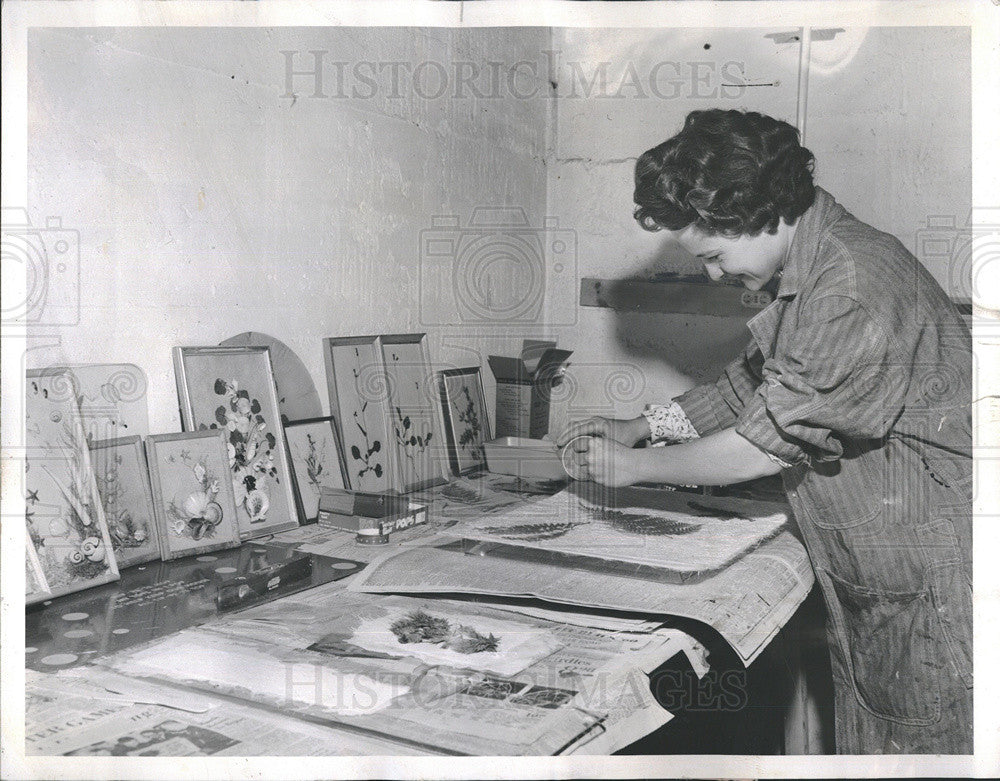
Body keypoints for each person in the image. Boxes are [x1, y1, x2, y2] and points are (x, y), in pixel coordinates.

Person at [557, 109, 972, 754]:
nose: (717, 276)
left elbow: (760, 441)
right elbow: (747, 388)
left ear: (764, 213)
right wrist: (642, 425)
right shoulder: (808, 270)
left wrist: (637, 469)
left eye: (715, 257)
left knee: (925, 749)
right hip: (884, 568)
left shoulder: (851, 289)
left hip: (936, 583)